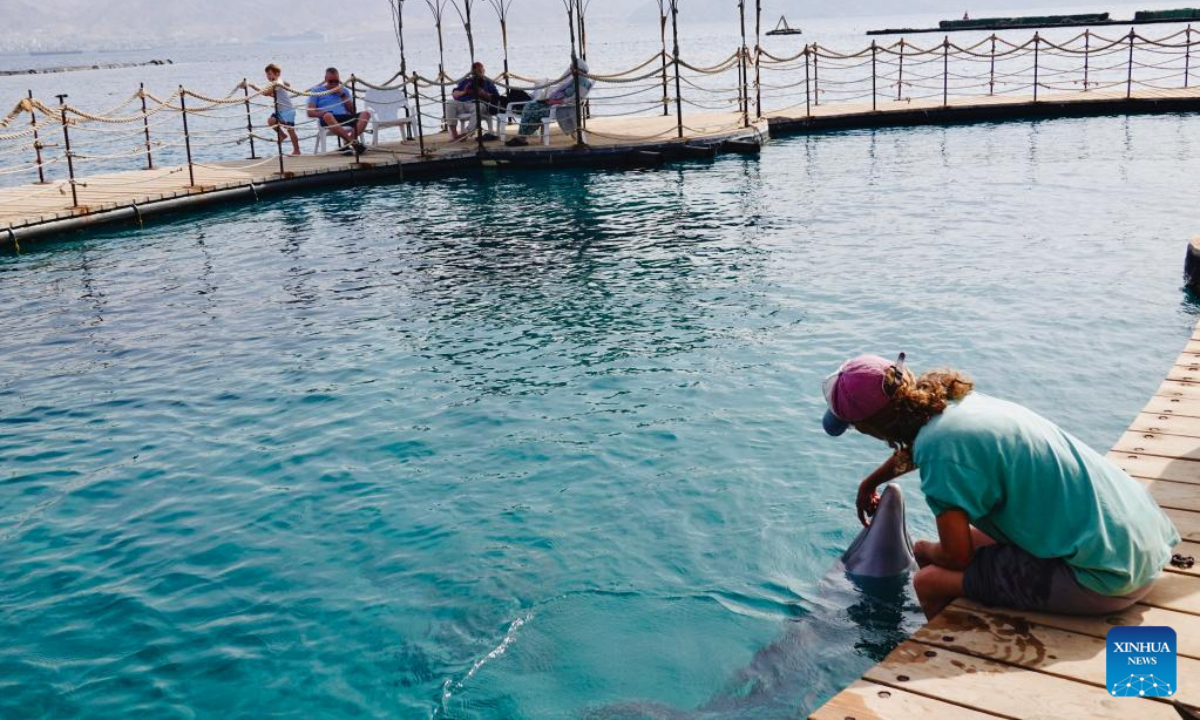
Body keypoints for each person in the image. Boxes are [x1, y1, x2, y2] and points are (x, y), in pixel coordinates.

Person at [822, 352, 1180, 620]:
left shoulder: (941, 456)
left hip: (1107, 581)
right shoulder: (956, 405)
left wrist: (931, 549)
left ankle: (943, 663)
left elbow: (957, 555)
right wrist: (873, 480)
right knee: (935, 550)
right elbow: (925, 448)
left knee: (928, 580)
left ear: (871, 426)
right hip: (1142, 544)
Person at [505, 59, 592, 147]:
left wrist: (554, 101)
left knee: (530, 108)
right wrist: (550, 100)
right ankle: (522, 137)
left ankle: (522, 138)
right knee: (530, 105)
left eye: (572, 68)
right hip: (556, 104)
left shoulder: (582, 83)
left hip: (560, 108)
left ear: (577, 69)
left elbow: (572, 100)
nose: (570, 70)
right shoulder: (577, 79)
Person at [306, 67, 369, 155]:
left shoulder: (344, 91)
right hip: (328, 117)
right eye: (331, 81)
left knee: (366, 114)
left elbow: (353, 110)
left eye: (336, 81)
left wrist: (342, 95)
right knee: (328, 116)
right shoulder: (316, 91)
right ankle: (354, 144)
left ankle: (346, 143)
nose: (334, 84)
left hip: (344, 116)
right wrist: (322, 113)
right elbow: (310, 112)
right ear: (325, 80)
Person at [446, 62, 500, 141]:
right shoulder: (466, 81)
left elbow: (496, 98)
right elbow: (454, 94)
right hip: (464, 103)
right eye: (475, 71)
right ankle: (455, 135)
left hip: (479, 104)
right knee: (450, 103)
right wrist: (464, 92)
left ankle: (466, 133)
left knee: (478, 107)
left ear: (483, 71)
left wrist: (484, 94)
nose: (477, 73)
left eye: (480, 71)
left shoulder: (488, 83)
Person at [261, 63, 300, 155]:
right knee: (271, 121)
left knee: (291, 130)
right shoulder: (277, 82)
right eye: (267, 74)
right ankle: (282, 135)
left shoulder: (277, 83)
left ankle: (297, 150)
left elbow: (267, 93)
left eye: (270, 74)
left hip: (288, 110)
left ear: (277, 74)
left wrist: (258, 89)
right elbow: (287, 84)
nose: (268, 76)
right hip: (280, 110)